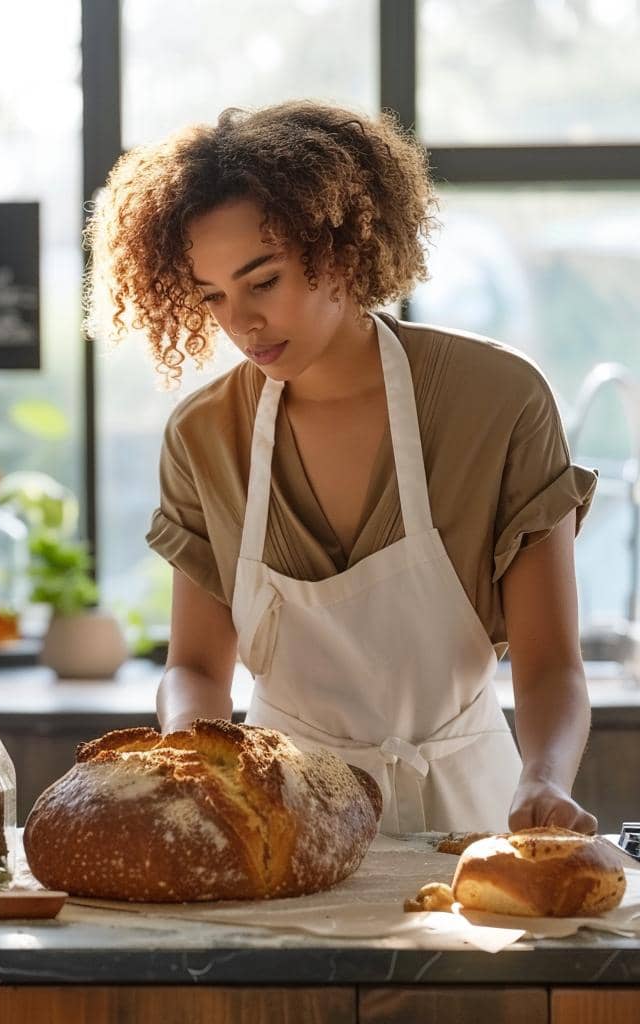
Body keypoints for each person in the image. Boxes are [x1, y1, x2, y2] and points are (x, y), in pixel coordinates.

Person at [84, 100, 598, 835]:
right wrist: (195, 761)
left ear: (339, 249)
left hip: (475, 816)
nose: (242, 322)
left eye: (263, 281)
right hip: (283, 821)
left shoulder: (498, 402)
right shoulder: (206, 436)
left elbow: (550, 664)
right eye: (214, 296)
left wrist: (543, 783)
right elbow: (196, 666)